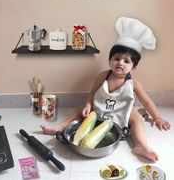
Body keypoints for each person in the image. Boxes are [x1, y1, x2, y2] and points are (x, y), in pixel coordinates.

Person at [41, 17, 171, 162]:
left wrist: (157, 117)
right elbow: (91, 93)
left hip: (122, 112)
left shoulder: (134, 83)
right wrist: (89, 104)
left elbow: (146, 102)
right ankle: (61, 126)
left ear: (133, 67)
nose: (120, 63)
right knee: (80, 109)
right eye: (116, 59)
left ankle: (141, 145)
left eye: (126, 61)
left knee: (137, 118)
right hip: (99, 108)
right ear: (110, 60)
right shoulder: (102, 76)